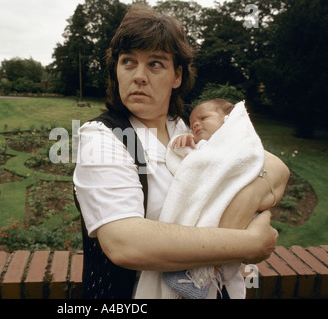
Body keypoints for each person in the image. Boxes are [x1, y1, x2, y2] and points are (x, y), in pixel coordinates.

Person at [73, 4, 289, 299]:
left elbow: (274, 167)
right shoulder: (103, 137)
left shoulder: (194, 122)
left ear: (177, 76)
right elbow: (125, 243)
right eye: (128, 62)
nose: (139, 75)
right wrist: (247, 243)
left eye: (155, 64)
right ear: (116, 71)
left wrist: (248, 197)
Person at [159, 98, 278, 299]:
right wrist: (181, 145)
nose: (195, 123)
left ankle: (203, 274)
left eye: (203, 118)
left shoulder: (238, 144)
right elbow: (186, 165)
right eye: (192, 121)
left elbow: (247, 165)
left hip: (233, 208)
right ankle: (199, 273)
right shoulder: (200, 145)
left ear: (229, 121)